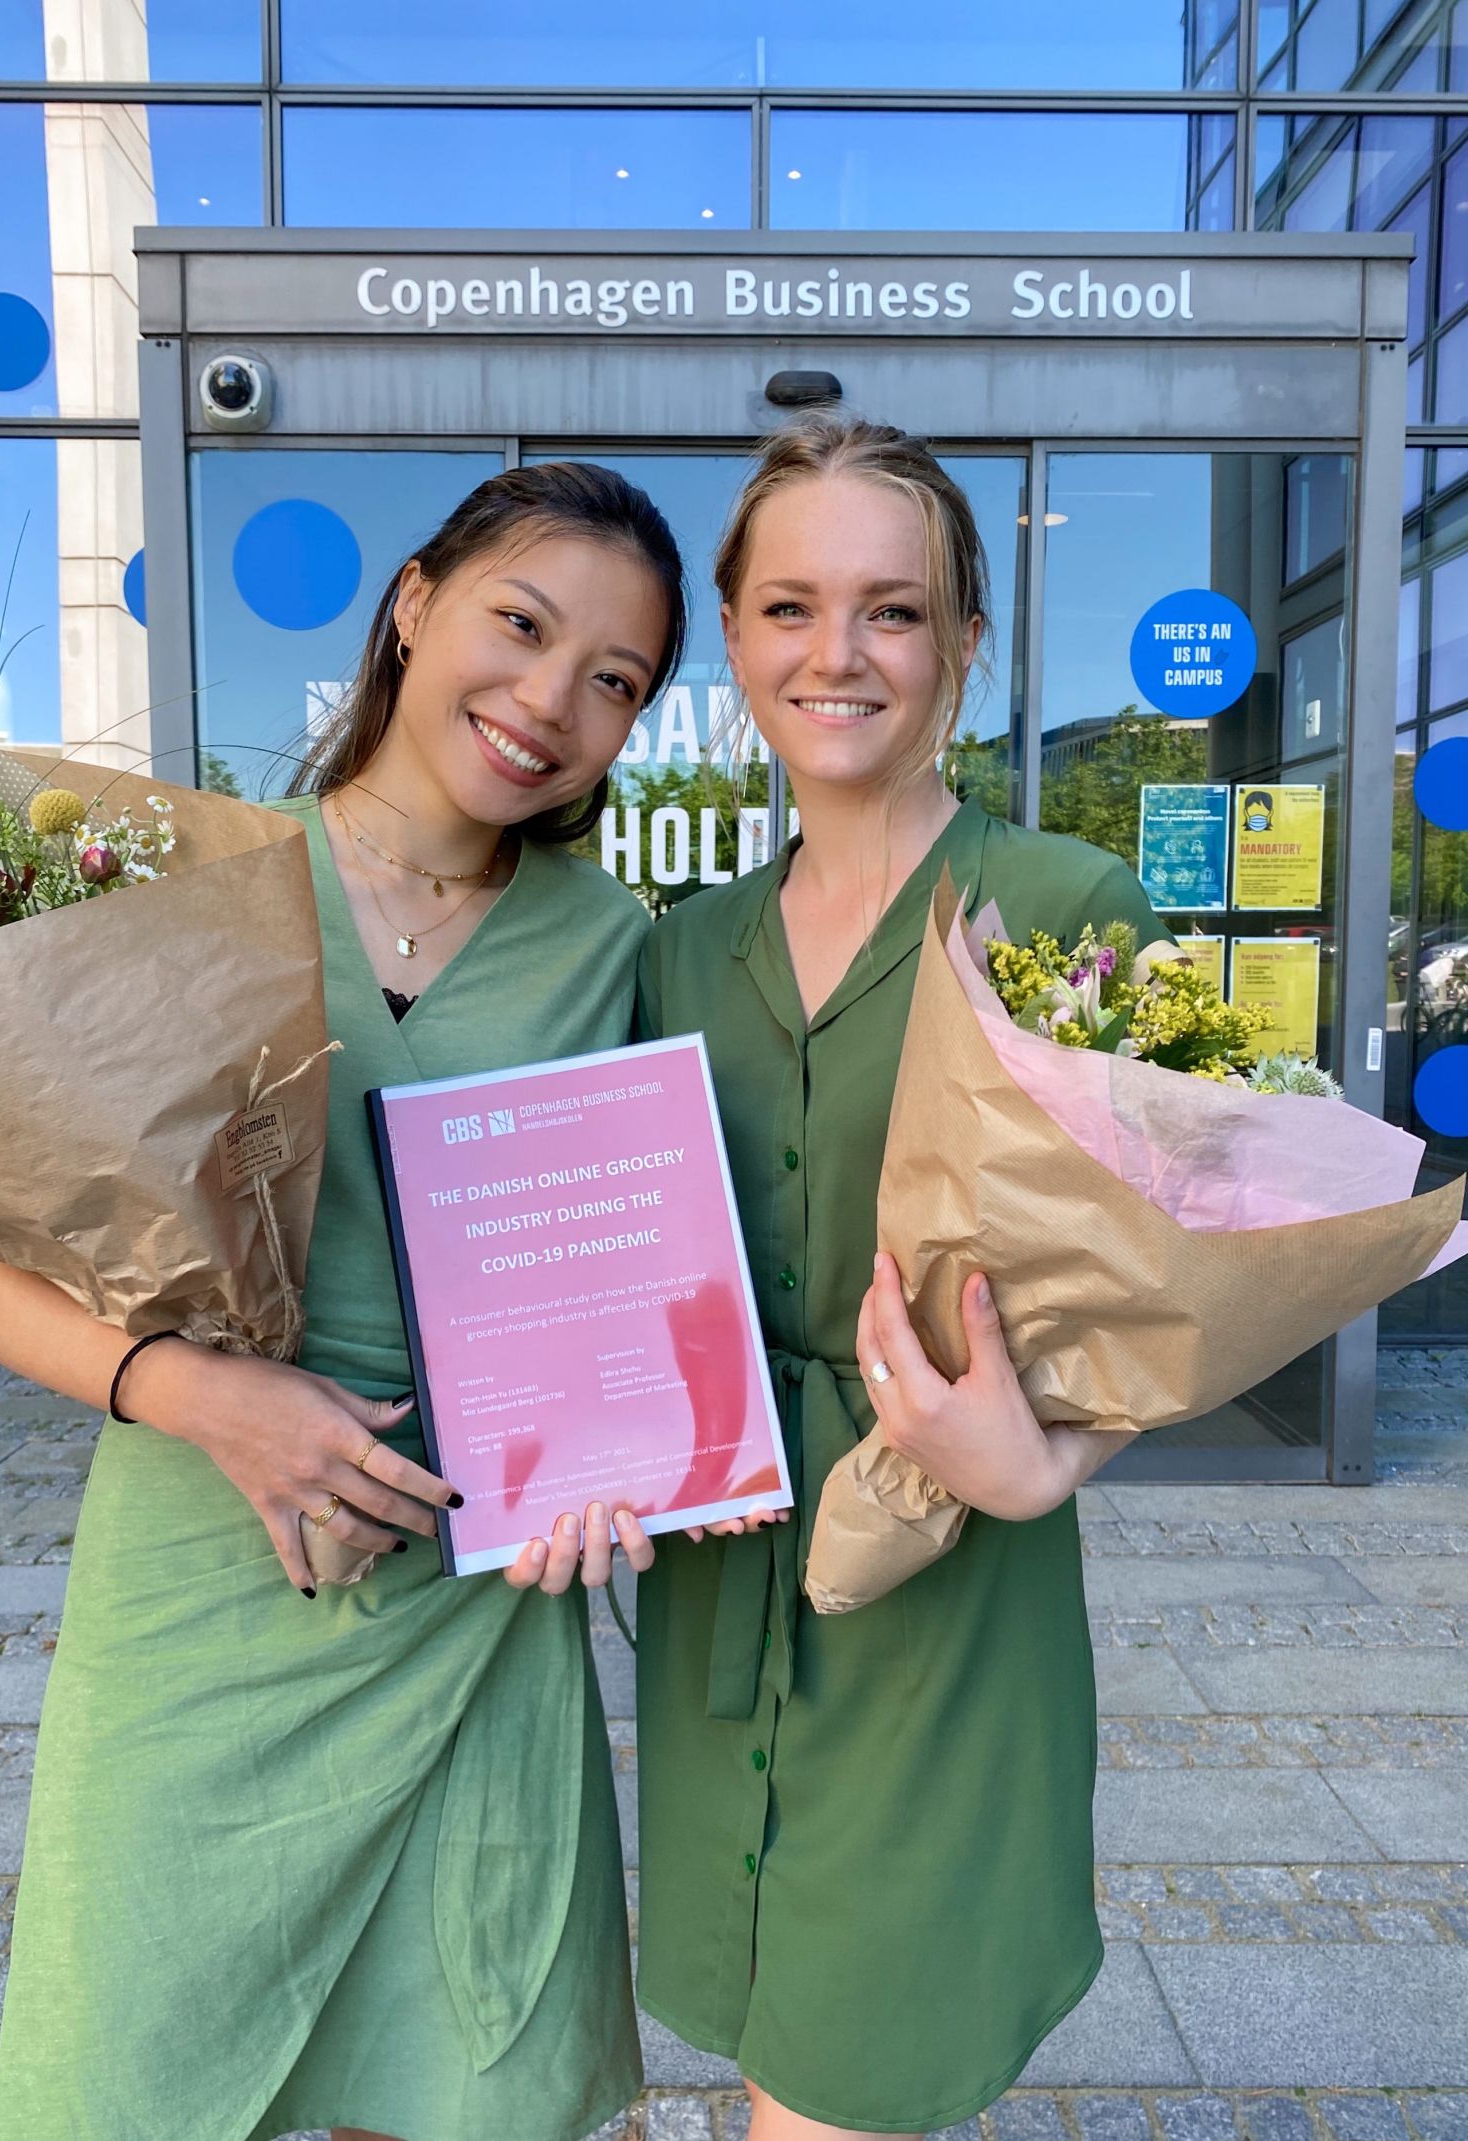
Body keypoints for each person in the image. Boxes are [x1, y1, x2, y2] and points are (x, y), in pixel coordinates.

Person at [0, 460, 686, 2141]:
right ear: (413, 603)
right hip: (199, 1579)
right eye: (522, 625)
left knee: (458, 2092)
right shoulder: (177, 884)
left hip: (479, 1611)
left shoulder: (616, 944)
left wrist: (620, 1468)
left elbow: (636, 1281)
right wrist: (199, 1394)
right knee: (138, 2081)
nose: (551, 702)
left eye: (614, 680)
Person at [633, 416, 1170, 2140]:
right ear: (733, 638)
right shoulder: (674, 952)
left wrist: (1056, 1458)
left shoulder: (1062, 907)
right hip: (726, 1578)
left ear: (965, 641)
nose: (837, 654)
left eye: (895, 609)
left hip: (947, 1576)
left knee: (843, 2083)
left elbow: (1178, 1274)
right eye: (791, 606)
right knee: (769, 2049)